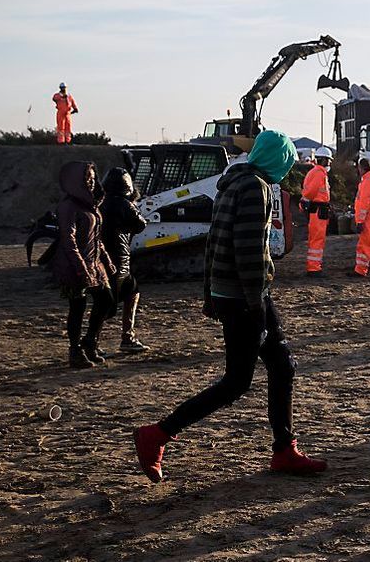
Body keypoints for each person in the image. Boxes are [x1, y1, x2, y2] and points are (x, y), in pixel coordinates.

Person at [134, 130, 326, 483]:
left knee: (282, 365)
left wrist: (211, 295)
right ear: (278, 160)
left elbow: (213, 243)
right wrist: (255, 304)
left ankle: (285, 449)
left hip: (235, 293)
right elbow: (248, 250)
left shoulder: (231, 183)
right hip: (246, 296)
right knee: (237, 382)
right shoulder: (256, 188)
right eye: (288, 161)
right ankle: (157, 435)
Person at [51, 161, 115, 368]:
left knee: (106, 300)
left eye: (93, 177)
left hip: (94, 263)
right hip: (73, 266)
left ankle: (90, 342)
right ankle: (75, 351)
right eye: (87, 177)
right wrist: (82, 269)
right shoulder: (68, 207)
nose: (91, 181)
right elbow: (68, 241)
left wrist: (107, 261)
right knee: (77, 308)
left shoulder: (92, 205)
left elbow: (96, 238)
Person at [101, 167, 150, 353]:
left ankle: (122, 338)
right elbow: (140, 224)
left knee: (127, 294)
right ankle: (124, 338)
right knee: (109, 303)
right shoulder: (124, 204)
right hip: (119, 258)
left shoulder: (101, 202)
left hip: (102, 258)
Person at [301, 146, 333, 277]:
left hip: (317, 210)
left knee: (315, 239)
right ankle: (314, 268)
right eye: (329, 161)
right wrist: (306, 200)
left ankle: (314, 266)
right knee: (317, 240)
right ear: (324, 160)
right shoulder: (319, 173)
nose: (330, 163)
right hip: (319, 210)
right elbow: (311, 191)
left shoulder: (314, 172)